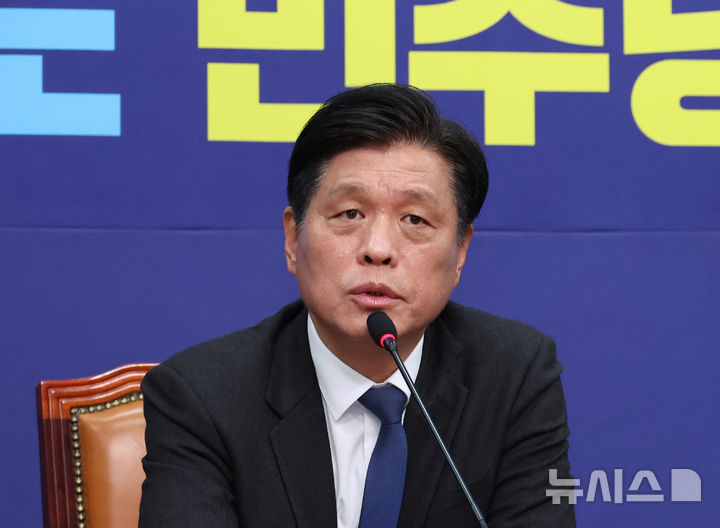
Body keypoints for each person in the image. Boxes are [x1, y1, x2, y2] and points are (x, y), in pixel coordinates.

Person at [139, 84, 575, 527]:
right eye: (350, 214)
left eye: (415, 219)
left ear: (461, 251)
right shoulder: (203, 395)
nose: (378, 249)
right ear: (293, 239)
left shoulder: (514, 376)